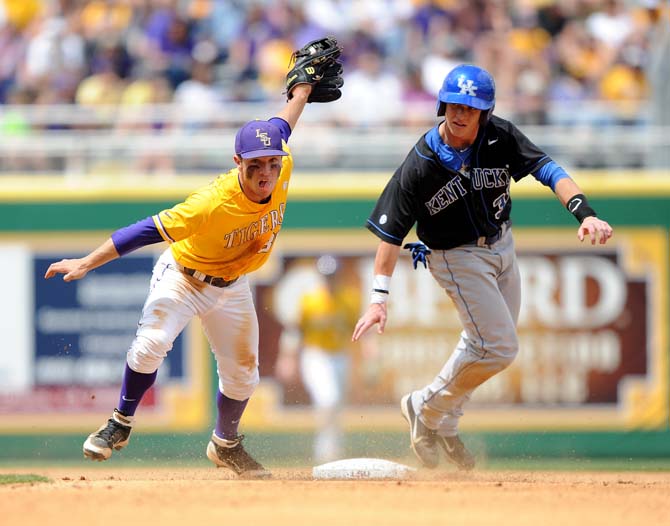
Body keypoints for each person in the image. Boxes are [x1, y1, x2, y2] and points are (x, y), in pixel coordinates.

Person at [44, 38, 343, 479]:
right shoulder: (210, 203)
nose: (266, 173)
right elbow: (144, 230)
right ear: (237, 161)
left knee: (244, 376)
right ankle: (119, 424)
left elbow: (283, 124)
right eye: (256, 164)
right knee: (151, 344)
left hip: (233, 284)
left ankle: (226, 445)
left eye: (272, 164)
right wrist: (87, 262)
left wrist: (300, 92)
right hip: (183, 276)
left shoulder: (282, 162)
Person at [351, 64, 613, 471]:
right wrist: (378, 299)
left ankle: (444, 422)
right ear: (442, 105)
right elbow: (390, 235)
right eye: (454, 105)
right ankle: (424, 406)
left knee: (481, 344)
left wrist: (585, 213)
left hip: (502, 244)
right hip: (456, 256)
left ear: (484, 113)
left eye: (469, 109)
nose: (459, 114)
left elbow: (549, 169)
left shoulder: (499, 136)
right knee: (500, 347)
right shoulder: (420, 164)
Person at [274, 255, 360, 464]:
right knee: (328, 399)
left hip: (341, 356)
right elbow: (295, 331)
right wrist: (287, 358)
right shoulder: (310, 300)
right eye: (326, 276)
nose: (329, 281)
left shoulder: (349, 299)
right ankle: (326, 452)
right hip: (316, 356)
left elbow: (359, 329)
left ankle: (333, 450)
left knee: (336, 405)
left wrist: (370, 353)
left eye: (333, 276)